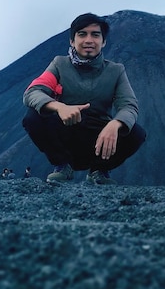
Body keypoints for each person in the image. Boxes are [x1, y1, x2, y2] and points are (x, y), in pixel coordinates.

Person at [23, 12, 146, 185]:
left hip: (99, 141)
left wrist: (116, 123)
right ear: (72, 41)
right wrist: (59, 107)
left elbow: (129, 105)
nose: (89, 40)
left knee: (136, 133)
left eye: (95, 35)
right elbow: (33, 92)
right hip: (65, 135)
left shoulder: (116, 71)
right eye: (82, 34)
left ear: (103, 42)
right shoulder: (59, 64)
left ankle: (99, 171)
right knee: (33, 117)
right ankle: (62, 166)